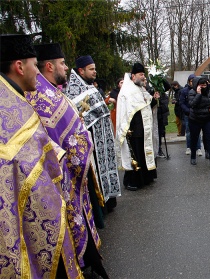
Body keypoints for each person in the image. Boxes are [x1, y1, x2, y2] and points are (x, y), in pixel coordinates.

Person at [0, 34, 83, 278]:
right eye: (34, 65)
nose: (37, 73)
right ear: (19, 66)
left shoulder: (16, 100)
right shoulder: (9, 111)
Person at [24, 43, 108, 277]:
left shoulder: (49, 90)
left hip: (71, 172)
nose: (66, 67)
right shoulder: (42, 95)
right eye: (63, 63)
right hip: (63, 176)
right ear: (49, 66)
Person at [65, 55, 121, 228]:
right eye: (91, 69)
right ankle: (100, 204)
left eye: (95, 68)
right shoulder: (74, 90)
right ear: (81, 71)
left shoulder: (90, 87)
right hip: (92, 143)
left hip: (102, 139)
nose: (95, 71)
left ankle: (108, 199)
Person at [116, 63, 159, 191]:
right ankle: (132, 181)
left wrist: (154, 100)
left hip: (144, 129)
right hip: (133, 130)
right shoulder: (127, 91)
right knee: (135, 156)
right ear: (133, 76)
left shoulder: (141, 89)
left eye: (144, 74)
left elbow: (146, 105)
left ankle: (146, 178)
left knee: (144, 154)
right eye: (141, 74)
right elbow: (125, 112)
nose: (143, 77)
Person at [188, 77, 210, 169]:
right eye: (201, 86)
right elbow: (192, 104)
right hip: (195, 119)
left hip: (207, 119)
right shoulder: (192, 92)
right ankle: (193, 156)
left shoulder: (209, 92)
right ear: (197, 86)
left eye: (205, 85)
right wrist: (198, 94)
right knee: (194, 139)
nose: (203, 87)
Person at [180, 73, 202, 156]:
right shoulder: (184, 91)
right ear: (189, 82)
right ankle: (189, 147)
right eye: (191, 81)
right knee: (188, 131)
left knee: (198, 132)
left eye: (194, 81)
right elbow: (182, 103)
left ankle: (198, 148)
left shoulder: (199, 90)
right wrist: (188, 111)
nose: (192, 83)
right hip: (188, 114)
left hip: (197, 114)